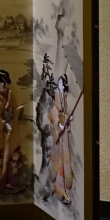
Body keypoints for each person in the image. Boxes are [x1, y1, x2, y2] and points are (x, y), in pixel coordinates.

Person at [48, 74, 74, 205]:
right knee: (59, 165)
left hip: (64, 142)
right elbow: (55, 122)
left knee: (65, 162)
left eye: (63, 87)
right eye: (59, 90)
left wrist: (66, 122)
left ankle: (65, 187)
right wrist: (60, 126)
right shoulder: (54, 111)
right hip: (58, 143)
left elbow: (63, 117)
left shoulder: (62, 110)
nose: (61, 91)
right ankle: (60, 190)